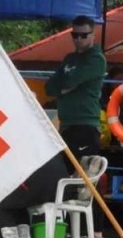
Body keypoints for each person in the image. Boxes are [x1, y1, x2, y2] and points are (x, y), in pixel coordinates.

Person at [45, 15, 108, 157]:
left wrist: (63, 86)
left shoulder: (97, 59)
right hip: (66, 124)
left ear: (93, 35)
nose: (78, 39)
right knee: (66, 172)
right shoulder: (69, 58)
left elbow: (70, 81)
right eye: (75, 35)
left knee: (80, 174)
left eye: (84, 35)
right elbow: (49, 87)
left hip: (85, 124)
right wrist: (64, 88)